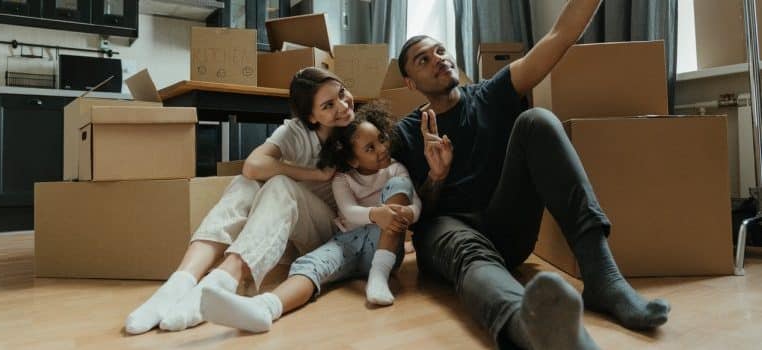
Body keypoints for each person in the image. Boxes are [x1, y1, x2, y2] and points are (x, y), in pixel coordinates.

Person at [392, 1, 670, 349]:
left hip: (505, 230)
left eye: (440, 51)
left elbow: (560, 35)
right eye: (423, 60)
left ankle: (603, 278)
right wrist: (437, 177)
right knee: (460, 244)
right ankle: (529, 326)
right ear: (409, 83)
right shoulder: (405, 134)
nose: (439, 60)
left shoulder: (490, 95)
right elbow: (419, 218)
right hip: (450, 236)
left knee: (536, 121)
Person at [124, 67, 356, 334]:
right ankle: (181, 280)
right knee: (246, 182)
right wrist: (314, 174)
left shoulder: (359, 130)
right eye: (328, 105)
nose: (342, 105)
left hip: (330, 235)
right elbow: (253, 165)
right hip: (288, 231)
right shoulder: (296, 131)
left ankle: (224, 278)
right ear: (311, 117)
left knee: (280, 184)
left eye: (341, 93)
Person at [200, 102, 421, 332]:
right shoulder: (342, 179)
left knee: (400, 185)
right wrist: (375, 214)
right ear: (353, 160)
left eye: (381, 139)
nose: (382, 148)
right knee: (310, 265)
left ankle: (379, 275)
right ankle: (266, 307)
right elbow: (348, 212)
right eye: (370, 148)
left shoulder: (396, 169)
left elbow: (415, 202)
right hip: (347, 240)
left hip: (383, 243)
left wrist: (410, 213)